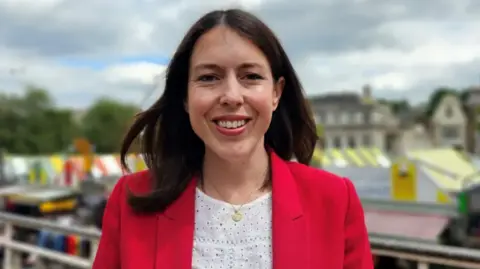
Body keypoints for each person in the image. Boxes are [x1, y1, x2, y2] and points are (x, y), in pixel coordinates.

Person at [92, 8, 372, 269]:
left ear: (276, 93)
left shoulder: (334, 200)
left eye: (250, 76)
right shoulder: (132, 199)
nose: (232, 97)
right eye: (209, 78)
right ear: (185, 98)